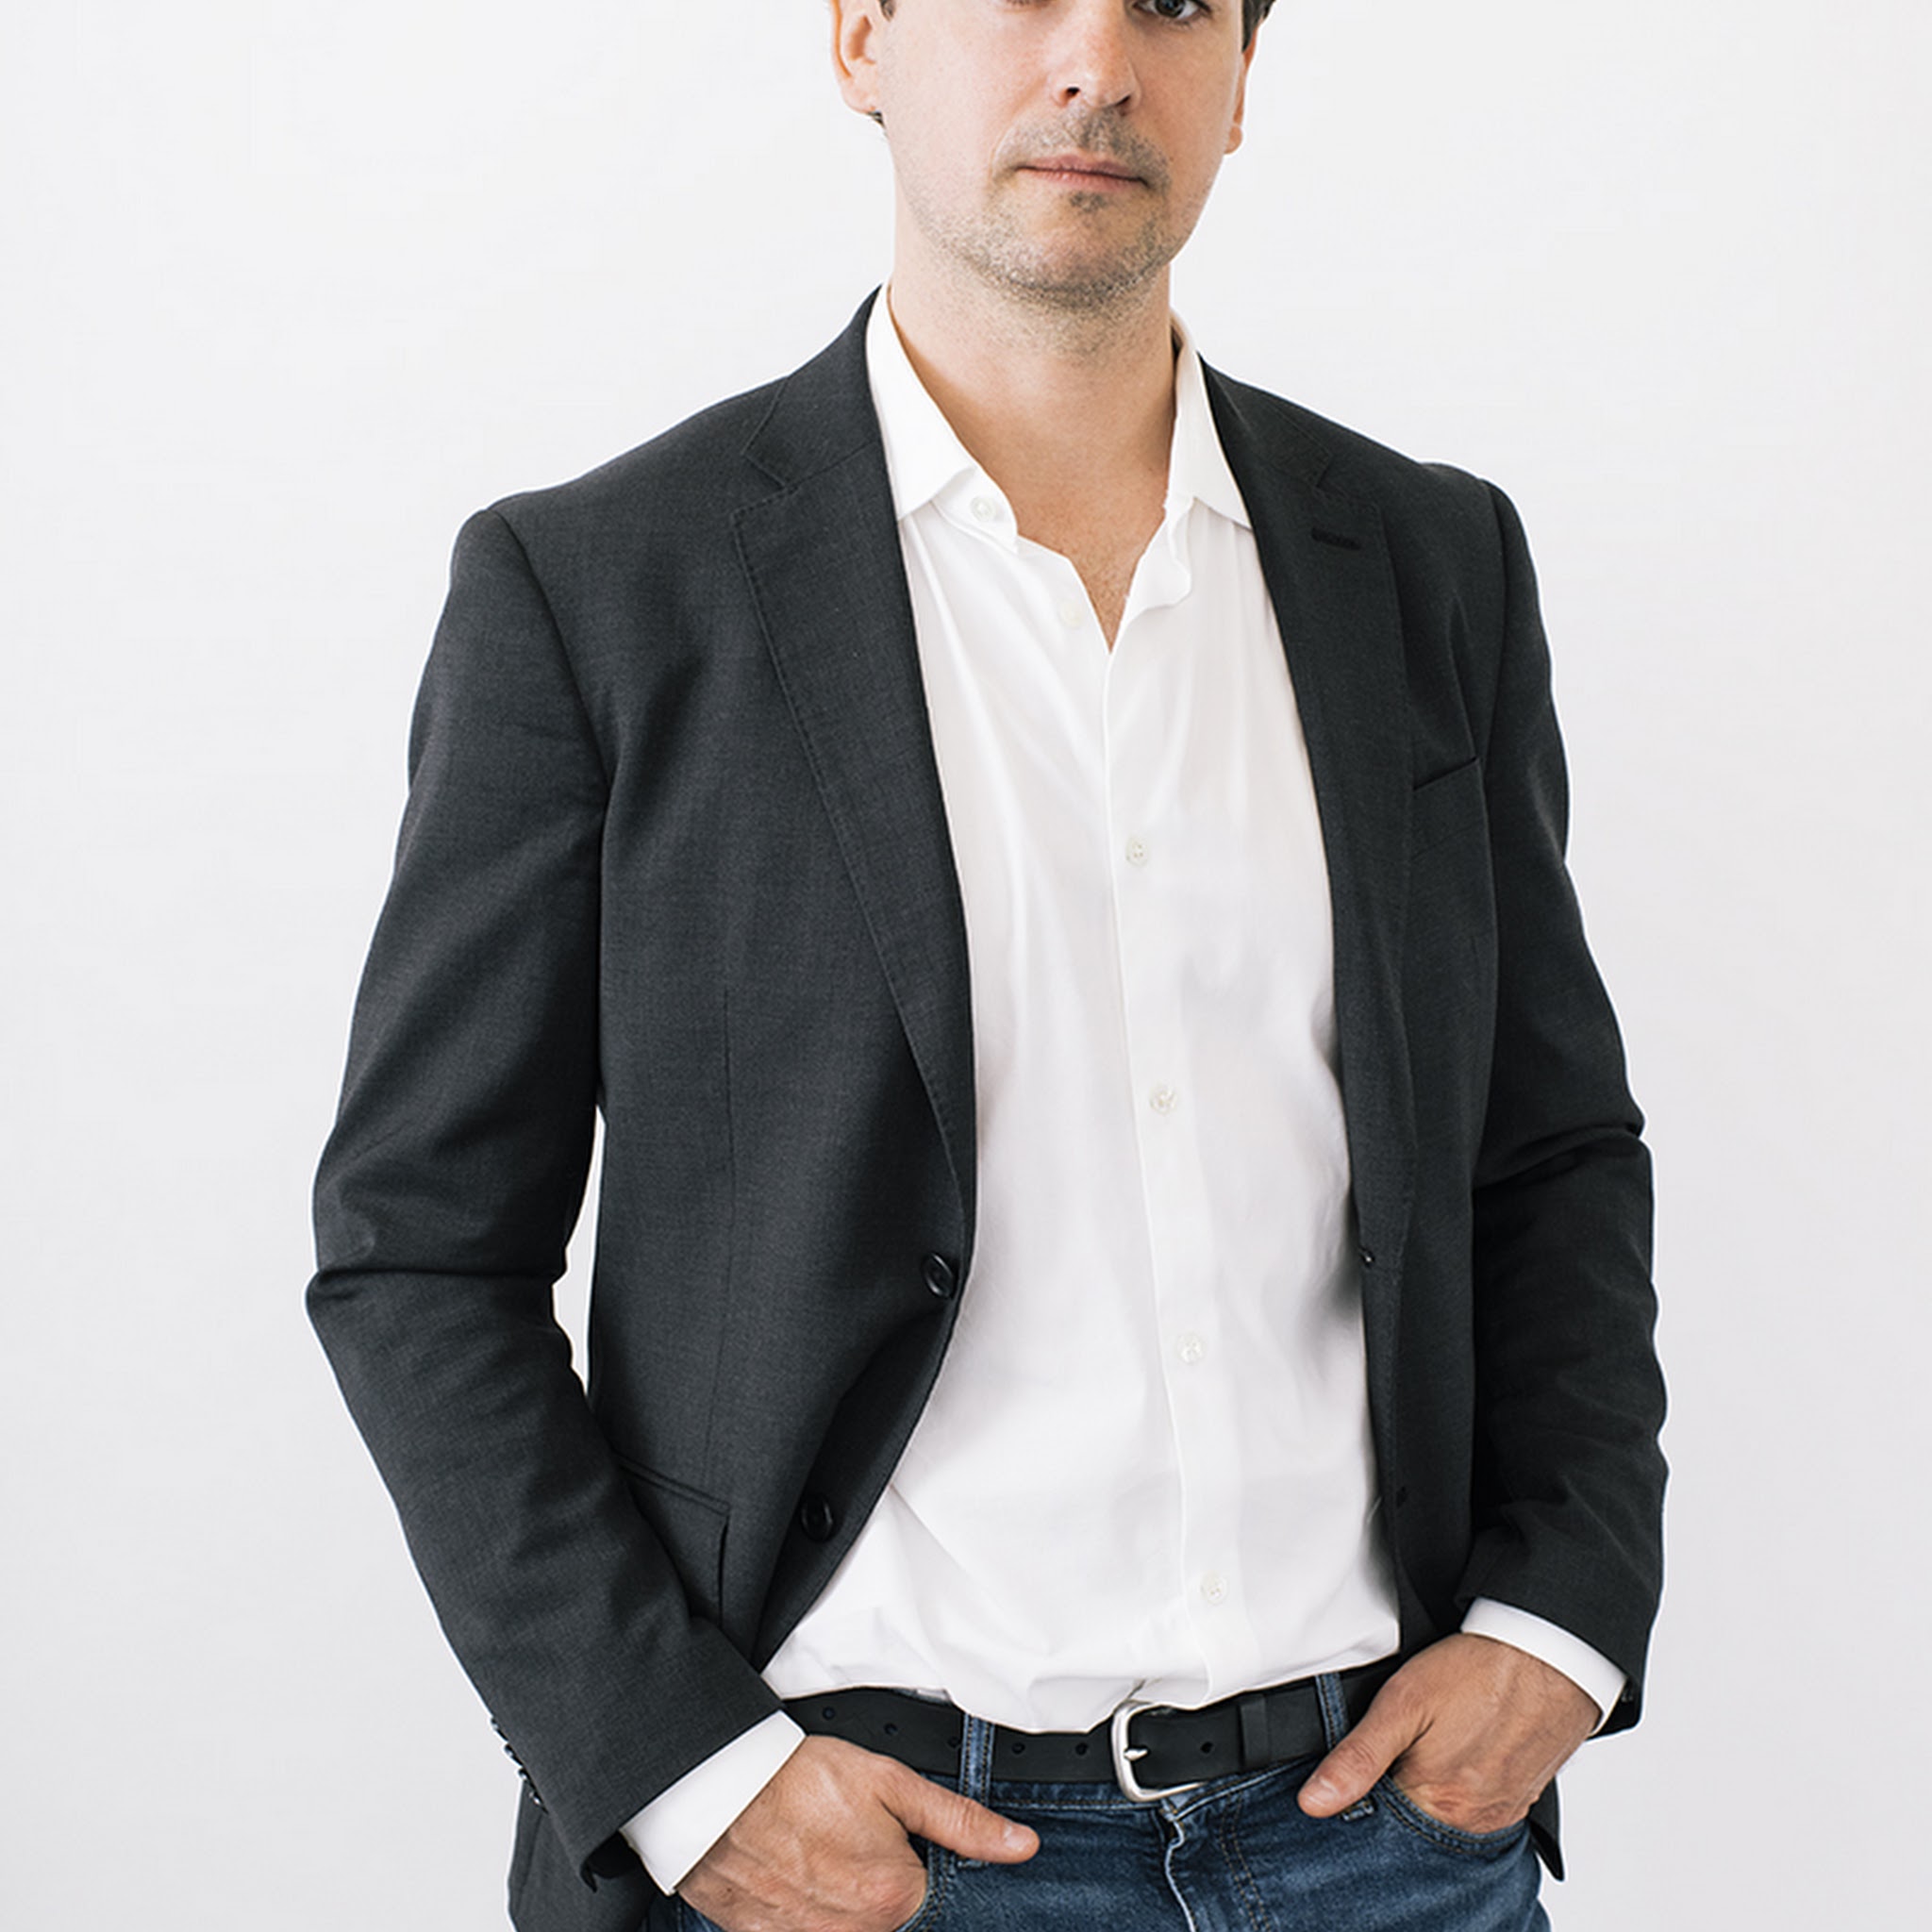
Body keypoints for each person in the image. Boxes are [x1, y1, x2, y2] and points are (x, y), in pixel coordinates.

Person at [308, 4, 1666, 1928]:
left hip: (1388, 1840)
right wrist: (683, 1774)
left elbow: (1546, 1147)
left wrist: (1561, 1616)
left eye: (1174, 2)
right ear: (861, 35)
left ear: (1244, 79)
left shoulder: (1431, 565)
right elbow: (418, 1250)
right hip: (863, 1856)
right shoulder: (600, 590)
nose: (1097, 59)